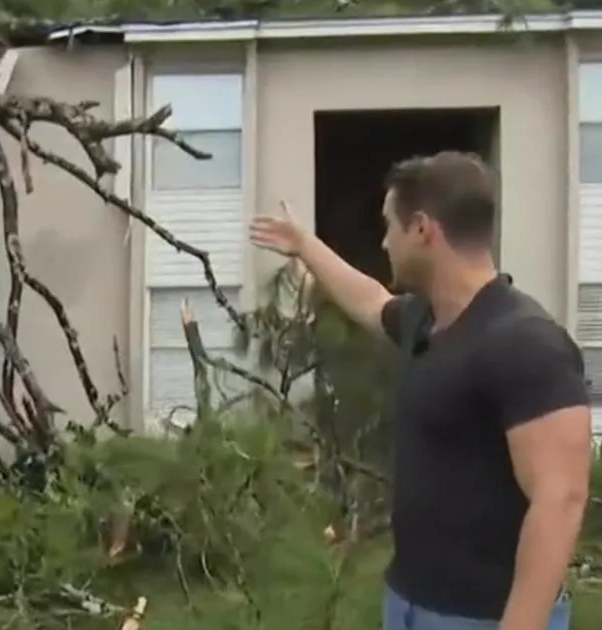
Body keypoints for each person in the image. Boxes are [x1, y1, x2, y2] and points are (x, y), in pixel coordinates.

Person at [249, 151, 592, 630]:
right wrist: (304, 245)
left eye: (390, 226)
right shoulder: (427, 323)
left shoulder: (525, 342)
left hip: (482, 619)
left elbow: (561, 498)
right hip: (409, 603)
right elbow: (371, 301)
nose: (385, 241)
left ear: (423, 230)